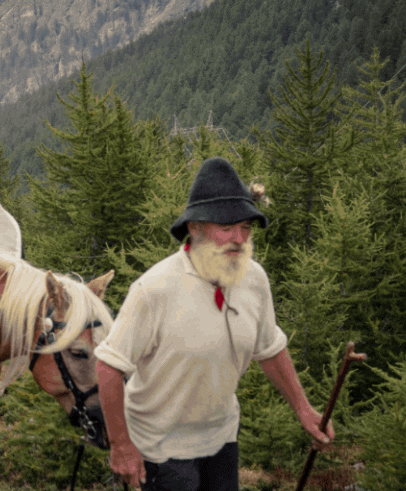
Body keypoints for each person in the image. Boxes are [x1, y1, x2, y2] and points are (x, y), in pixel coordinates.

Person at [93, 157, 333, 491]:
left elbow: (269, 349)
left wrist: (305, 411)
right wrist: (120, 445)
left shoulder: (254, 279)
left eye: (246, 228)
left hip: (221, 438)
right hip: (160, 447)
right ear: (195, 228)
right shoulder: (154, 289)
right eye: (226, 228)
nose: (238, 239)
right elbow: (107, 366)